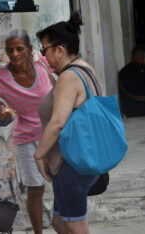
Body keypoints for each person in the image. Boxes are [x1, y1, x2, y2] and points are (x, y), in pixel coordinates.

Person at [0, 29, 54, 234]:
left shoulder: (42, 65)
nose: (15, 54)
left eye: (19, 49)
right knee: (36, 189)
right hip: (27, 140)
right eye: (10, 50)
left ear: (29, 49)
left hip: (54, 134)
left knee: (62, 184)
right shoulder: (0, 78)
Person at [34, 12, 102, 234]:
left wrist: (39, 154)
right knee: (60, 223)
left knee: (74, 226)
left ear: (59, 50)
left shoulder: (69, 77)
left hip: (72, 162)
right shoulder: (83, 69)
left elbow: (58, 123)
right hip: (79, 159)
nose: (44, 57)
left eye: (45, 51)